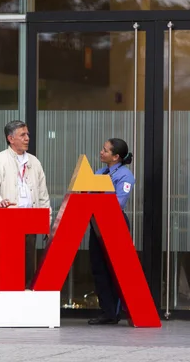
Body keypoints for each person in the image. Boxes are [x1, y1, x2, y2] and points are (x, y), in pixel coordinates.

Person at [0, 120, 51, 287]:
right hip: (9, 220)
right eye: (23, 135)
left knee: (28, 265)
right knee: (7, 264)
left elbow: (43, 195)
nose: (27, 138)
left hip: (30, 220)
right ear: (10, 138)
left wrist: (46, 222)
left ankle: (26, 301)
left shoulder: (34, 162)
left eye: (27, 134)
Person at [88, 138, 135, 325]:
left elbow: (119, 202)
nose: (101, 152)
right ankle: (106, 311)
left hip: (114, 223)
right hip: (97, 223)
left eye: (105, 150)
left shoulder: (125, 175)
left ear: (116, 156)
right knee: (98, 267)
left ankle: (115, 311)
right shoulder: (100, 172)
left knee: (115, 269)